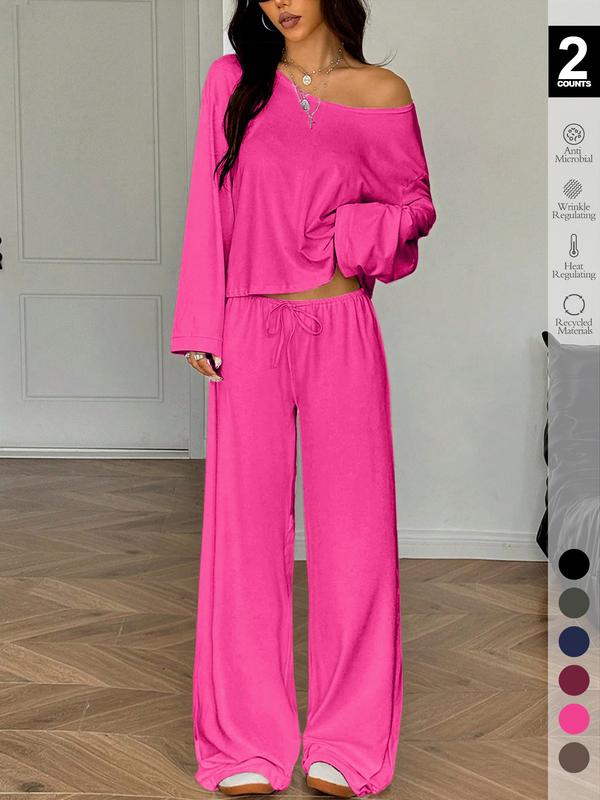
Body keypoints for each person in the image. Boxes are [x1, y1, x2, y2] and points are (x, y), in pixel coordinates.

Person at [170, 0, 437, 796]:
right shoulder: (232, 82)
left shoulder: (381, 93)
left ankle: (346, 741)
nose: (281, 1)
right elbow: (206, 203)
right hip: (246, 329)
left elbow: (415, 205)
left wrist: (348, 237)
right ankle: (246, 741)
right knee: (243, 540)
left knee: (355, 539)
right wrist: (201, 322)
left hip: (341, 328)